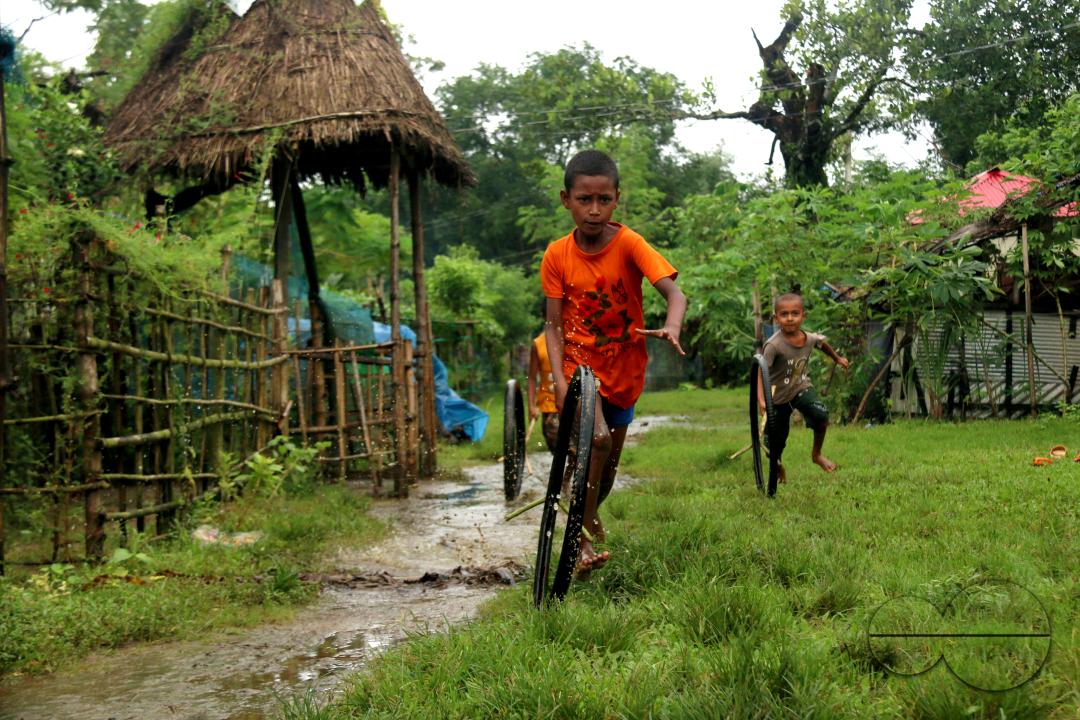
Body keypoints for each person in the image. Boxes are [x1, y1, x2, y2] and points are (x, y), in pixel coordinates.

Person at [540, 149, 687, 574]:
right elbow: (553, 326)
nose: (594, 210)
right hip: (580, 369)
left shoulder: (629, 244)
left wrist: (672, 326)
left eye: (604, 200)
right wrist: (560, 380)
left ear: (616, 199)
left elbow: (675, 293)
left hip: (625, 372)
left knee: (605, 474)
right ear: (566, 199)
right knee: (598, 441)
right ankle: (580, 543)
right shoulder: (556, 255)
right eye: (584, 199)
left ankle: (585, 512)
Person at [757, 292, 849, 481]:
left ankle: (817, 455)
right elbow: (760, 372)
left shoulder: (809, 338)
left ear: (803, 316)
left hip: (800, 388)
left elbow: (822, 344)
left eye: (795, 313)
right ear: (776, 318)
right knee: (773, 444)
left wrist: (837, 358)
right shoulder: (773, 345)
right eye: (784, 314)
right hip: (777, 397)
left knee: (821, 415)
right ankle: (778, 466)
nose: (790, 318)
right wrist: (761, 399)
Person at [526, 330, 560, 453]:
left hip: (573, 404)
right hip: (549, 404)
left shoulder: (574, 338)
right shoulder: (539, 344)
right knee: (555, 443)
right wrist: (531, 406)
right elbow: (532, 377)